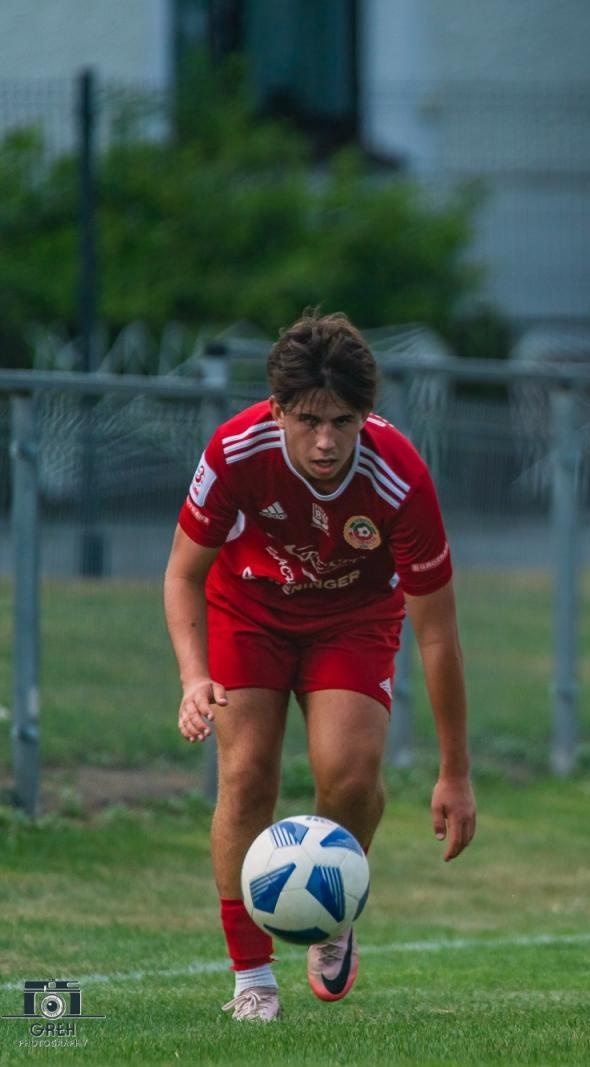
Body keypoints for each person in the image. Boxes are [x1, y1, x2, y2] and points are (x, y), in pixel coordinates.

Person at [164, 312, 476, 1022]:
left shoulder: (400, 479)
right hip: (248, 611)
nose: (327, 440)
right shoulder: (235, 451)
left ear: (366, 413)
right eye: (308, 420)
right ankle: (251, 978)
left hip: (352, 620)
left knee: (351, 775)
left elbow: (438, 636)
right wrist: (192, 675)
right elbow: (182, 575)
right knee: (246, 778)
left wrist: (454, 772)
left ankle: (329, 910)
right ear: (277, 410)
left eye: (342, 419)